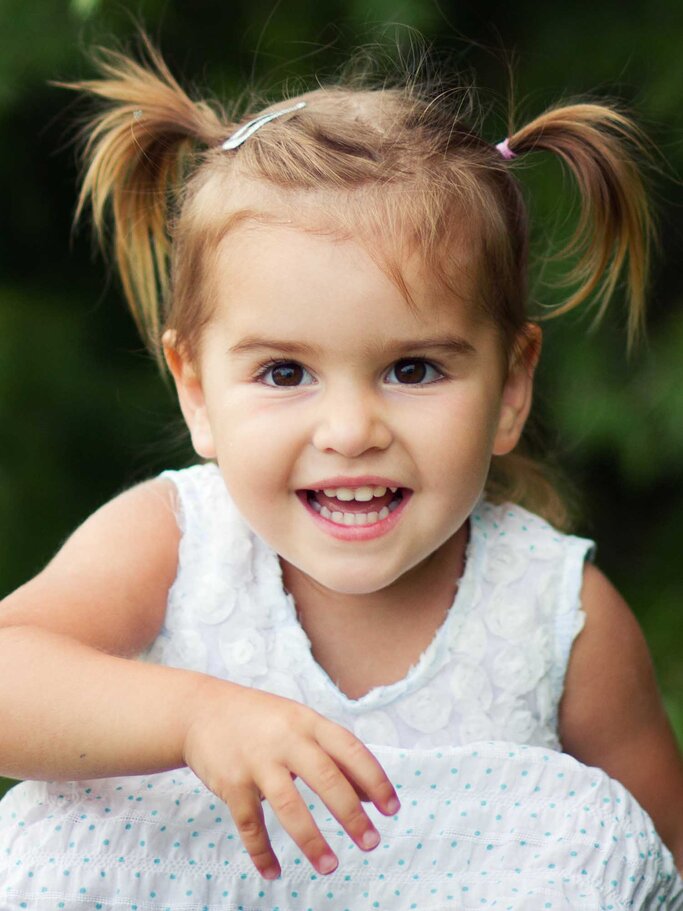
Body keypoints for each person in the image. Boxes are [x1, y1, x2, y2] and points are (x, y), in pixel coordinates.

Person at [0, 36, 682, 911]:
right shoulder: (178, 542)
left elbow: (655, 859)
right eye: (285, 372)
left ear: (511, 386)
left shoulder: (558, 616)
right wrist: (194, 716)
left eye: (414, 369)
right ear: (198, 392)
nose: (352, 430)